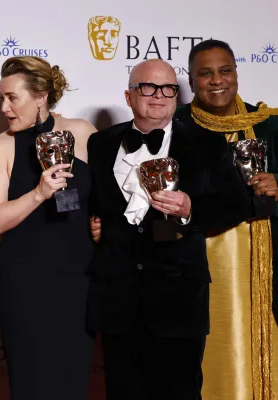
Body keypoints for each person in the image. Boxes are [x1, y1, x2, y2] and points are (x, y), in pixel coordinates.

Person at [87, 59, 250, 399]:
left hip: (178, 300)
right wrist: (95, 221)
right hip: (118, 299)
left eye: (168, 89)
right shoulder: (100, 143)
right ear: (129, 96)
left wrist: (191, 209)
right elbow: (96, 200)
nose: (159, 95)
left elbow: (236, 203)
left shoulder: (207, 143)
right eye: (148, 87)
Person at [0, 56, 96, 399]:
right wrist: (38, 194)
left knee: (73, 381)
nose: (3, 107)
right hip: (27, 284)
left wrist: (100, 220)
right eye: (2, 97)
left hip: (79, 279)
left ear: (41, 96)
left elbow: (103, 197)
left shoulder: (83, 132)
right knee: (32, 384)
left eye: (12, 98)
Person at [175, 39, 278, 399]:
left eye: (225, 71)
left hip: (265, 265)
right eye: (205, 73)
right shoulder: (173, 125)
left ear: (236, 73)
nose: (217, 80)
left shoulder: (269, 125)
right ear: (191, 80)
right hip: (195, 262)